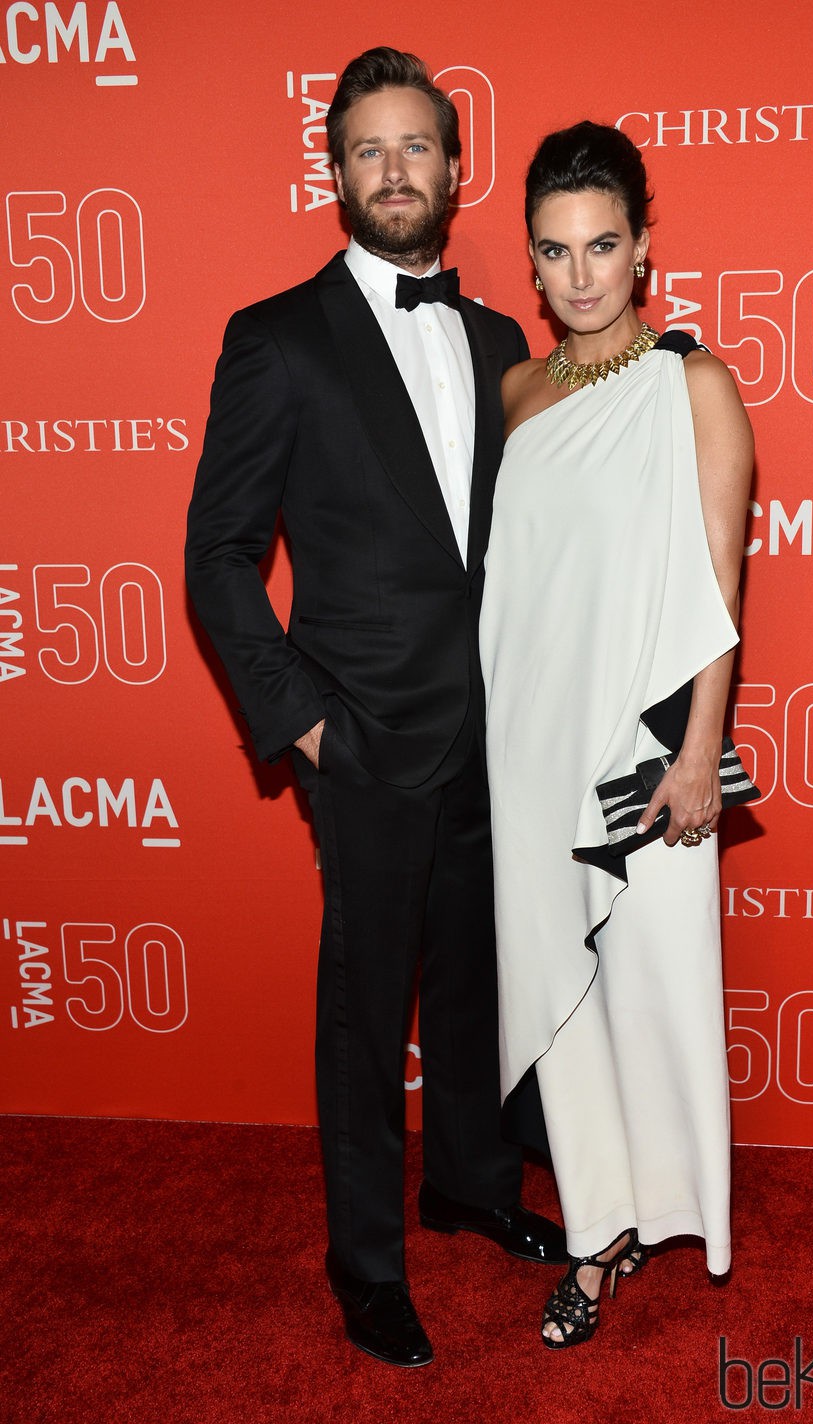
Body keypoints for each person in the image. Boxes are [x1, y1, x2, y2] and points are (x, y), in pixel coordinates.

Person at [185, 47, 563, 1370]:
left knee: (475, 983)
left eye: (419, 148)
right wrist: (302, 722)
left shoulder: (506, 341)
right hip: (365, 737)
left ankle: (470, 1182)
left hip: (494, 734)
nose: (396, 171)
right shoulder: (277, 339)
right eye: (370, 150)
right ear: (335, 170)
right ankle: (365, 1264)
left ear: (458, 170)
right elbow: (218, 556)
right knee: (364, 1010)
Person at [479, 121, 754, 1348]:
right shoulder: (517, 394)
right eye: (553, 250)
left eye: (601, 244)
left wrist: (700, 751)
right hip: (528, 743)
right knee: (564, 1005)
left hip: (645, 746)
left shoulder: (693, 384)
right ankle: (597, 1234)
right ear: (529, 266)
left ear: (641, 248)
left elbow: (714, 578)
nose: (579, 272)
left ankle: (674, 1201)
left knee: (649, 989)